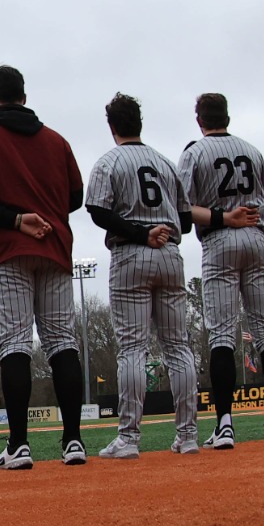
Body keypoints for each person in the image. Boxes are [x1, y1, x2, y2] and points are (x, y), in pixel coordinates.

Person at [0, 66, 87, 466]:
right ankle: (74, 441)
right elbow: (75, 197)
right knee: (62, 341)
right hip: (56, 248)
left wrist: (15, 218)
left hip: (7, 248)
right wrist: (43, 213)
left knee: (14, 343)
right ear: (24, 96)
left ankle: (19, 445)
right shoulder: (57, 141)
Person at [84, 92, 198, 457]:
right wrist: (158, 230)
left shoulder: (109, 161)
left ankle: (130, 439)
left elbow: (98, 212)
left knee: (133, 347)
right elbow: (184, 221)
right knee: (177, 346)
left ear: (112, 126)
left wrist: (139, 232)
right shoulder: (165, 163)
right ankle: (188, 435)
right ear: (140, 123)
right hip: (170, 253)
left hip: (132, 254)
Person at [177, 92, 264, 449]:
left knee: (222, 334)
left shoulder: (195, 152)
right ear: (227, 115)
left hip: (220, 238)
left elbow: (181, 208)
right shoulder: (253, 150)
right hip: (255, 238)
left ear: (200, 121)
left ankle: (225, 424)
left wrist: (224, 218)